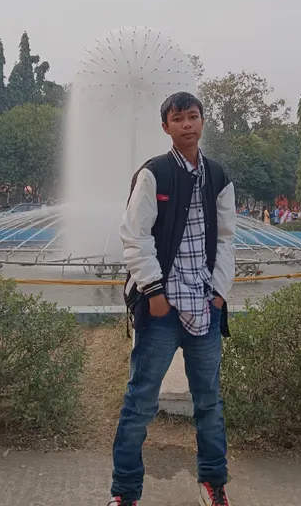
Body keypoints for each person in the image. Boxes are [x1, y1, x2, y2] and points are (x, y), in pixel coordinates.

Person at [110, 92, 235, 506]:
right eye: (178, 119)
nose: (187, 124)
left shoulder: (218, 176)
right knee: (140, 403)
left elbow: (227, 239)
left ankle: (212, 484)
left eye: (193, 117)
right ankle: (125, 493)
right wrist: (154, 293)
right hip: (162, 309)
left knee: (209, 404)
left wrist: (219, 295)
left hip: (205, 306)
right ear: (166, 127)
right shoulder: (154, 174)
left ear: (203, 122)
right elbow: (134, 234)